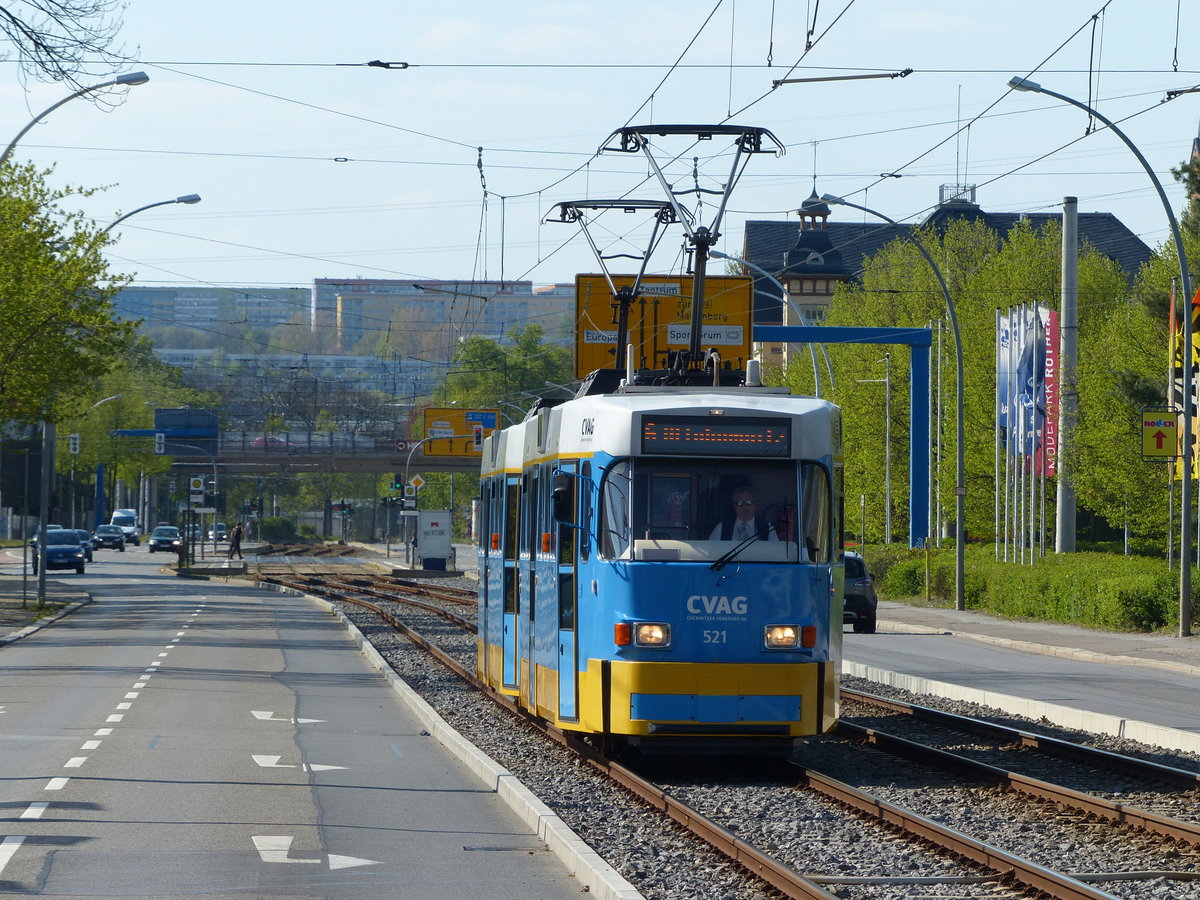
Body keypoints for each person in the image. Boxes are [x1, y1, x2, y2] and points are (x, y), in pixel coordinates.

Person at [708, 486, 778, 542]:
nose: (744, 507)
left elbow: (775, 554)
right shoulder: (721, 528)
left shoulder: (767, 528)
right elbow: (711, 553)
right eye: (739, 503)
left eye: (749, 503)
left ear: (756, 505)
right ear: (734, 506)